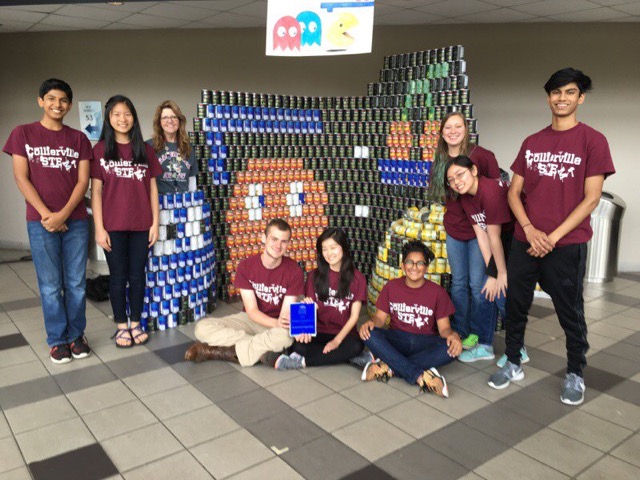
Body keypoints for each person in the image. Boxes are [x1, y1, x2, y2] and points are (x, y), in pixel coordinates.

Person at [488, 68, 615, 406]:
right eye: (556, 93)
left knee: (569, 311)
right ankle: (513, 361)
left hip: (566, 245)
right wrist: (529, 230)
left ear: (580, 98)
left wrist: (552, 237)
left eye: (570, 92)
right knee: (515, 305)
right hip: (524, 241)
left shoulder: (593, 140)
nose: (562, 98)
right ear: (548, 98)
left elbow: (591, 198)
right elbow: (514, 192)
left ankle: (575, 371)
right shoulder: (532, 142)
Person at [3, 78, 92, 364]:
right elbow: (21, 177)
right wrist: (47, 215)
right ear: (41, 101)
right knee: (51, 285)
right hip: (39, 222)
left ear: (69, 105)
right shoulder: (23, 133)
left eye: (63, 100)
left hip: (75, 220)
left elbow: (83, 181)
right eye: (51, 98)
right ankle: (57, 341)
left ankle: (76, 336)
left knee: (77, 283)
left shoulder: (78, 138)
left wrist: (63, 215)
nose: (57, 104)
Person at [91, 95, 161, 348]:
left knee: (138, 276)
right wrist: (99, 228)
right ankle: (121, 325)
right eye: (116, 114)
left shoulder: (145, 149)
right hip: (113, 227)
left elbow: (153, 189)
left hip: (142, 224)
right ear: (109, 119)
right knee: (118, 277)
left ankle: (135, 323)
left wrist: (155, 223)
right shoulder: (100, 150)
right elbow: (95, 191)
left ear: (134, 117)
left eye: (127, 113)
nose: (123, 119)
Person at [184, 219, 304, 366]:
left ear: (288, 244)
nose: (278, 246)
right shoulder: (246, 266)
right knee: (201, 328)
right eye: (274, 239)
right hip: (250, 319)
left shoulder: (294, 271)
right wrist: (273, 325)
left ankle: (219, 351)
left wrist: (278, 324)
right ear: (264, 238)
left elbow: (284, 317)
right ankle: (259, 349)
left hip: (277, 325)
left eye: (284, 241)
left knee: (285, 337)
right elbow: (252, 311)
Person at [429, 112, 502, 352]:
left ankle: (482, 335)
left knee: (477, 284)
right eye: (447, 127)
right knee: (458, 284)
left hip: (481, 228)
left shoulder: (481, 156)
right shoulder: (440, 159)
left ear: (466, 128)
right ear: (441, 133)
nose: (452, 131)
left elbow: (495, 191)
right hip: (455, 230)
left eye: (457, 126)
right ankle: (461, 329)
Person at [445, 156, 522, 364]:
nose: (456, 182)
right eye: (451, 180)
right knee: (487, 289)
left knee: (502, 295)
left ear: (474, 170)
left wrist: (501, 274)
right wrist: (491, 271)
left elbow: (495, 236)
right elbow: (481, 234)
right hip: (496, 243)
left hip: (516, 241)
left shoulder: (490, 192)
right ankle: (485, 346)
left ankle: (518, 349)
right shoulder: (465, 197)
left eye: (460, 174)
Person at [359, 240, 462, 397]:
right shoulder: (391, 287)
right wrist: (370, 322)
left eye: (420, 263)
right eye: (410, 262)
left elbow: (444, 329)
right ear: (402, 265)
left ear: (426, 268)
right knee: (370, 334)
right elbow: (379, 319)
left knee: (451, 350)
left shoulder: (438, 292)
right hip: (398, 339)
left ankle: (389, 366)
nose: (414, 267)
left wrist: (453, 335)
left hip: (424, 341)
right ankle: (420, 375)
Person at [271, 228, 373, 370]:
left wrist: (336, 342)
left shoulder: (357, 278)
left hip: (343, 333)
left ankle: (302, 362)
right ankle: (349, 357)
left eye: (333, 247)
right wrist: (305, 312)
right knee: (298, 345)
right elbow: (311, 310)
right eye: (324, 249)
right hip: (318, 332)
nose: (329, 253)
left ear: (343, 247)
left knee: (357, 345)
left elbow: (354, 317)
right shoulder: (314, 276)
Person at [148, 100, 198, 194]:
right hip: (160, 205)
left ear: (179, 121)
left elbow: (192, 181)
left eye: (174, 117)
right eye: (165, 117)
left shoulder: (188, 147)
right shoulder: (149, 147)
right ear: (159, 122)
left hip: (183, 205)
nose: (170, 121)